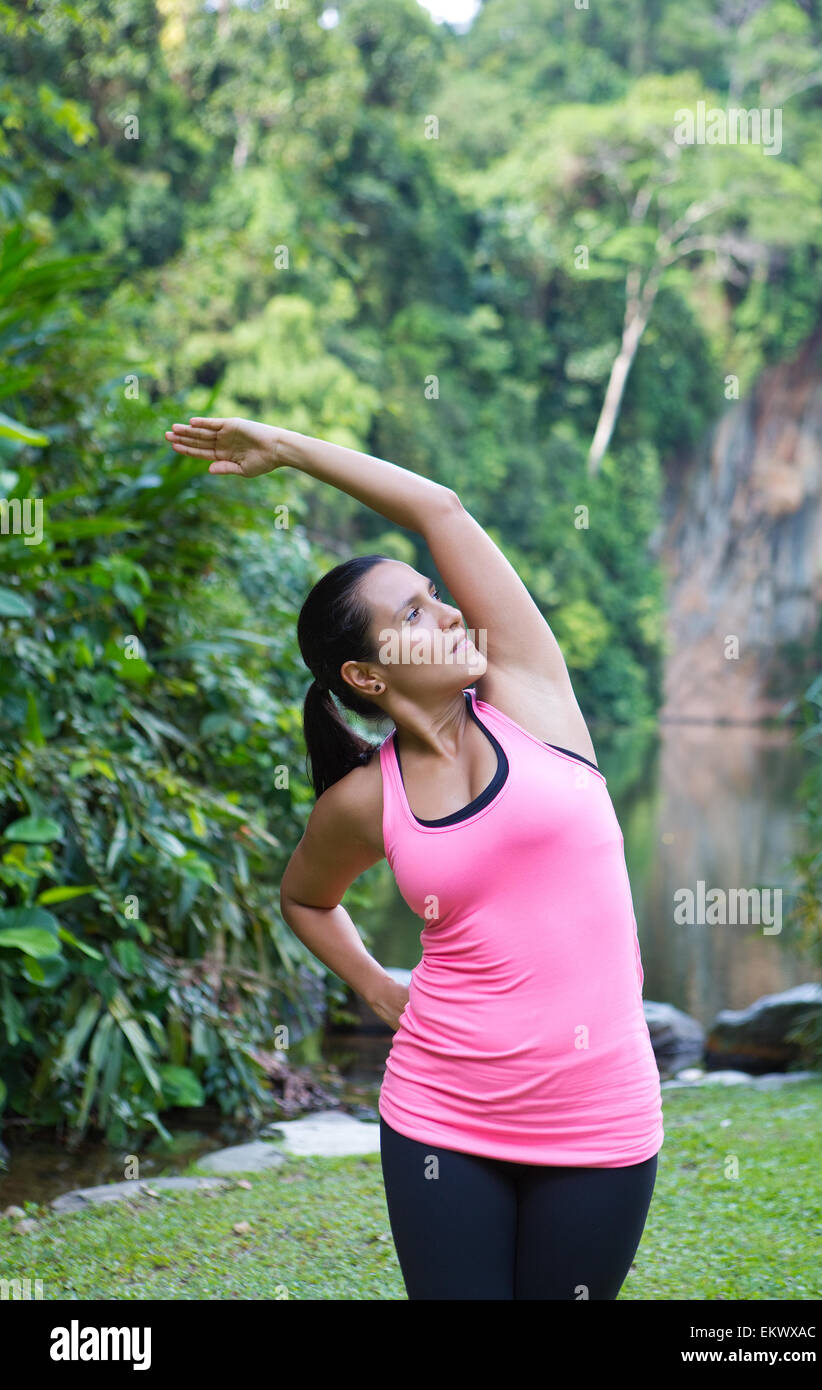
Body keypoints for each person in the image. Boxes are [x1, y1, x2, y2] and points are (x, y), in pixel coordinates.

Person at [166, 415, 664, 1301]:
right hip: (442, 1115)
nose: (448, 612)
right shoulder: (366, 800)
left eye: (435, 595)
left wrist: (289, 450)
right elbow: (306, 899)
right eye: (414, 614)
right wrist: (377, 986)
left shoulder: (530, 695)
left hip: (599, 1112)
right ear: (366, 677)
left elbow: (439, 507)